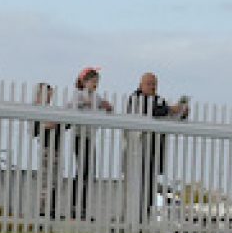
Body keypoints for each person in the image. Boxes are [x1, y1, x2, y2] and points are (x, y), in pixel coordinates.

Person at [123, 71, 186, 224]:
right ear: (141, 85)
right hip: (137, 151)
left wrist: (181, 112)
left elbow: (169, 118)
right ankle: (133, 219)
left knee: (150, 188)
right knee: (136, 188)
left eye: (154, 84)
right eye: (149, 84)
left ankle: (145, 218)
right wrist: (170, 109)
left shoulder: (159, 100)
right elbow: (150, 112)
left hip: (154, 151)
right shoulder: (135, 98)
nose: (152, 87)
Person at [68, 67, 112, 221]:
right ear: (84, 82)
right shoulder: (78, 94)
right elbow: (71, 107)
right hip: (80, 136)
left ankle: (83, 207)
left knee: (88, 172)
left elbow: (105, 107)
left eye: (97, 82)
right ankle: (75, 206)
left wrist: (107, 106)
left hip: (90, 137)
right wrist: (83, 103)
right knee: (82, 171)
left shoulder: (96, 97)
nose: (95, 84)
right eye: (93, 81)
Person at [33, 82, 64, 221]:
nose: (50, 98)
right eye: (48, 94)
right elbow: (34, 131)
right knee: (46, 180)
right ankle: (42, 210)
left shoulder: (51, 110)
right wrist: (46, 126)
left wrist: (58, 123)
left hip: (56, 148)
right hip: (46, 148)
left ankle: (51, 209)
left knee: (55, 180)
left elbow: (65, 124)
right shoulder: (37, 110)